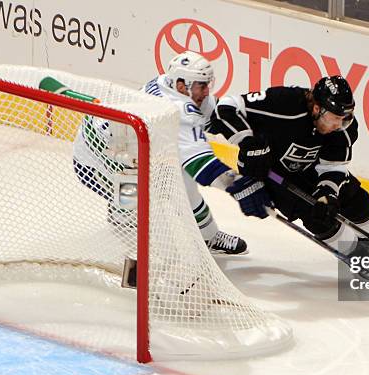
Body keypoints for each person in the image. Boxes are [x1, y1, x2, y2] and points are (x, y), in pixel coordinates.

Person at [210, 75, 369, 277]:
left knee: (355, 197)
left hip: (308, 167)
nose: (338, 125)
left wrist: (327, 193)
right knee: (316, 216)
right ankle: (360, 261)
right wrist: (249, 142)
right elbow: (226, 107)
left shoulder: (343, 128)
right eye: (334, 118)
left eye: (344, 119)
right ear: (317, 109)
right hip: (267, 169)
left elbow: (333, 166)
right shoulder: (283, 103)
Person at [73, 50, 253, 255]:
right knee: (151, 204)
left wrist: (248, 136)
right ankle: (124, 216)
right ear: (181, 85)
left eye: (207, 84)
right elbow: (202, 166)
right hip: (94, 159)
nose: (206, 92)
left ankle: (206, 236)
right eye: (201, 86)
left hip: (121, 146)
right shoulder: (179, 108)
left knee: (175, 182)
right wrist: (240, 185)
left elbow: (217, 115)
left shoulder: (165, 82)